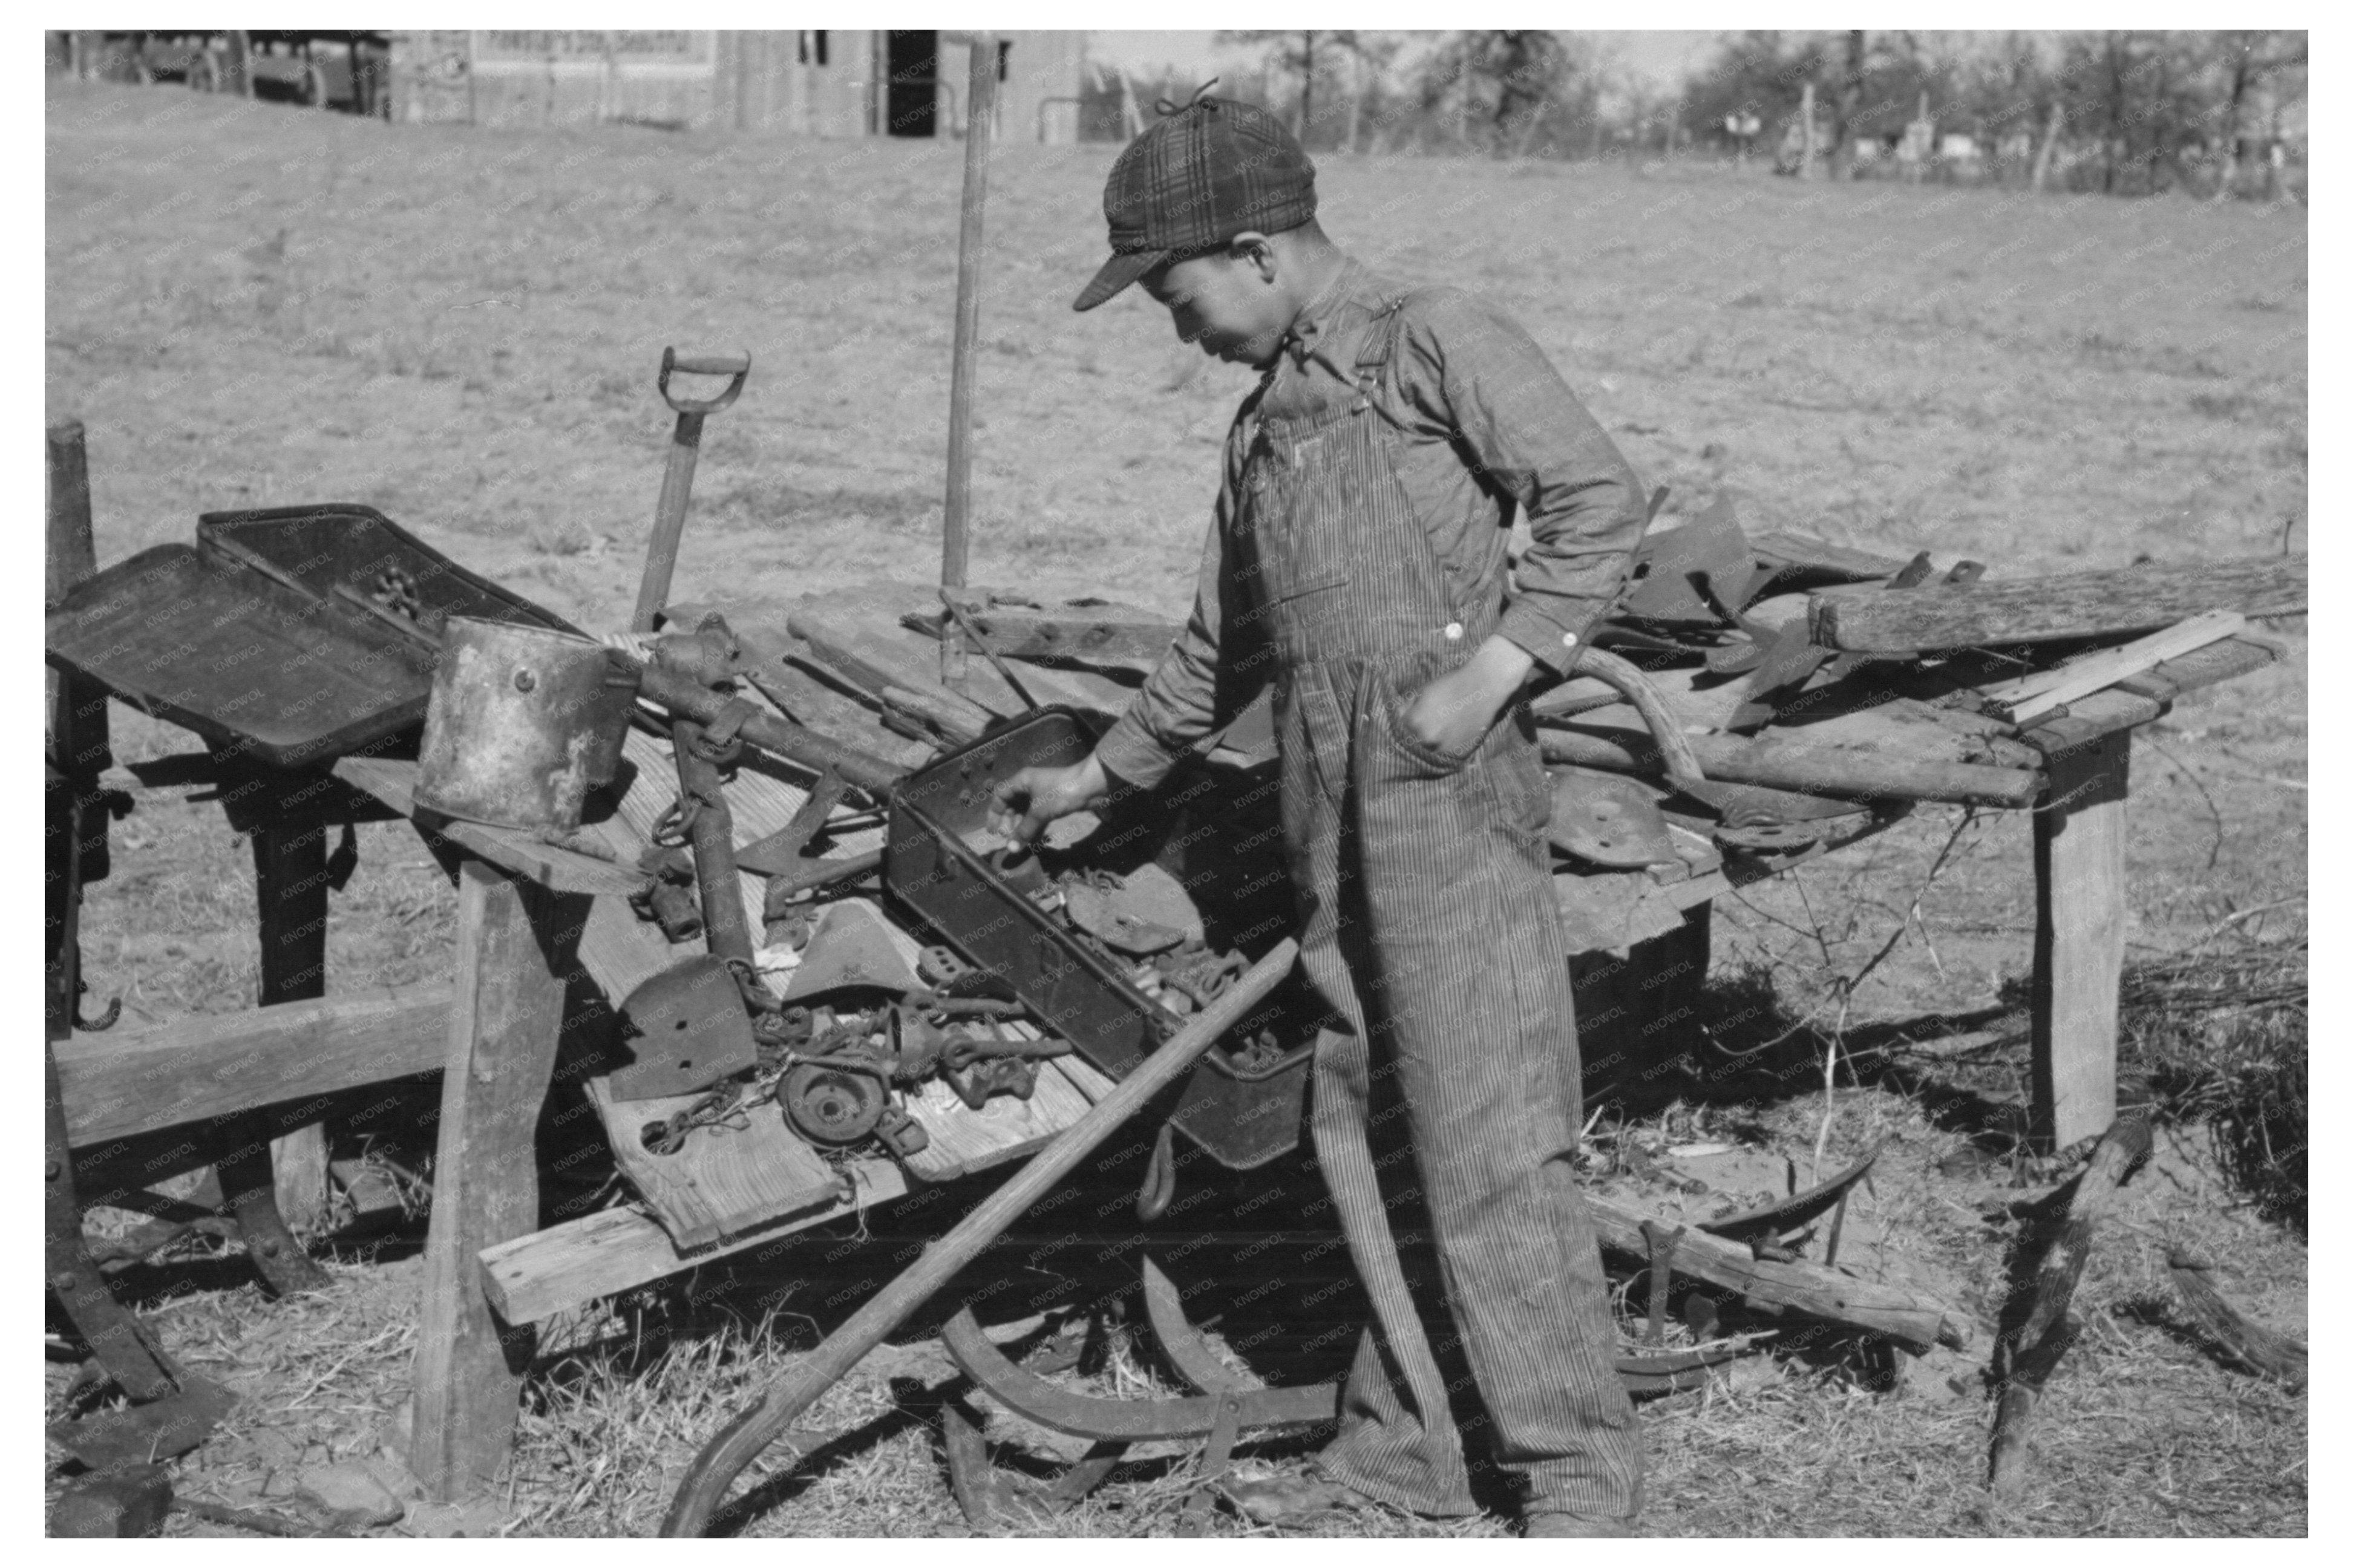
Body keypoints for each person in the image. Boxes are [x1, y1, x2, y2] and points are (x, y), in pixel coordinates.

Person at [987, 90, 1649, 1538]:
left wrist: (1490, 673)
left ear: (1256, 249)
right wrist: (1105, 773)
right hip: (1322, 808)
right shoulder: (1258, 427)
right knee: (1371, 1127)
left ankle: (1578, 1480)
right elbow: (1219, 649)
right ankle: (1405, 1450)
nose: (1177, 330)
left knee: (1489, 1131)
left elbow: (1601, 499)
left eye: (1176, 296)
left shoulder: (1431, 334)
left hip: (1445, 791)